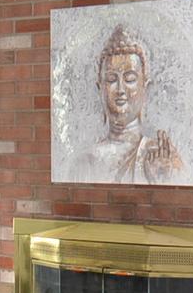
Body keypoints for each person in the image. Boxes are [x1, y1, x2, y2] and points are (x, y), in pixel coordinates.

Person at [64, 22, 185, 184]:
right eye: (112, 79)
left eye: (129, 79)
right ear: (99, 88)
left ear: (145, 87)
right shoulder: (84, 162)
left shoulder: (159, 156)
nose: (120, 89)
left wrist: (162, 178)